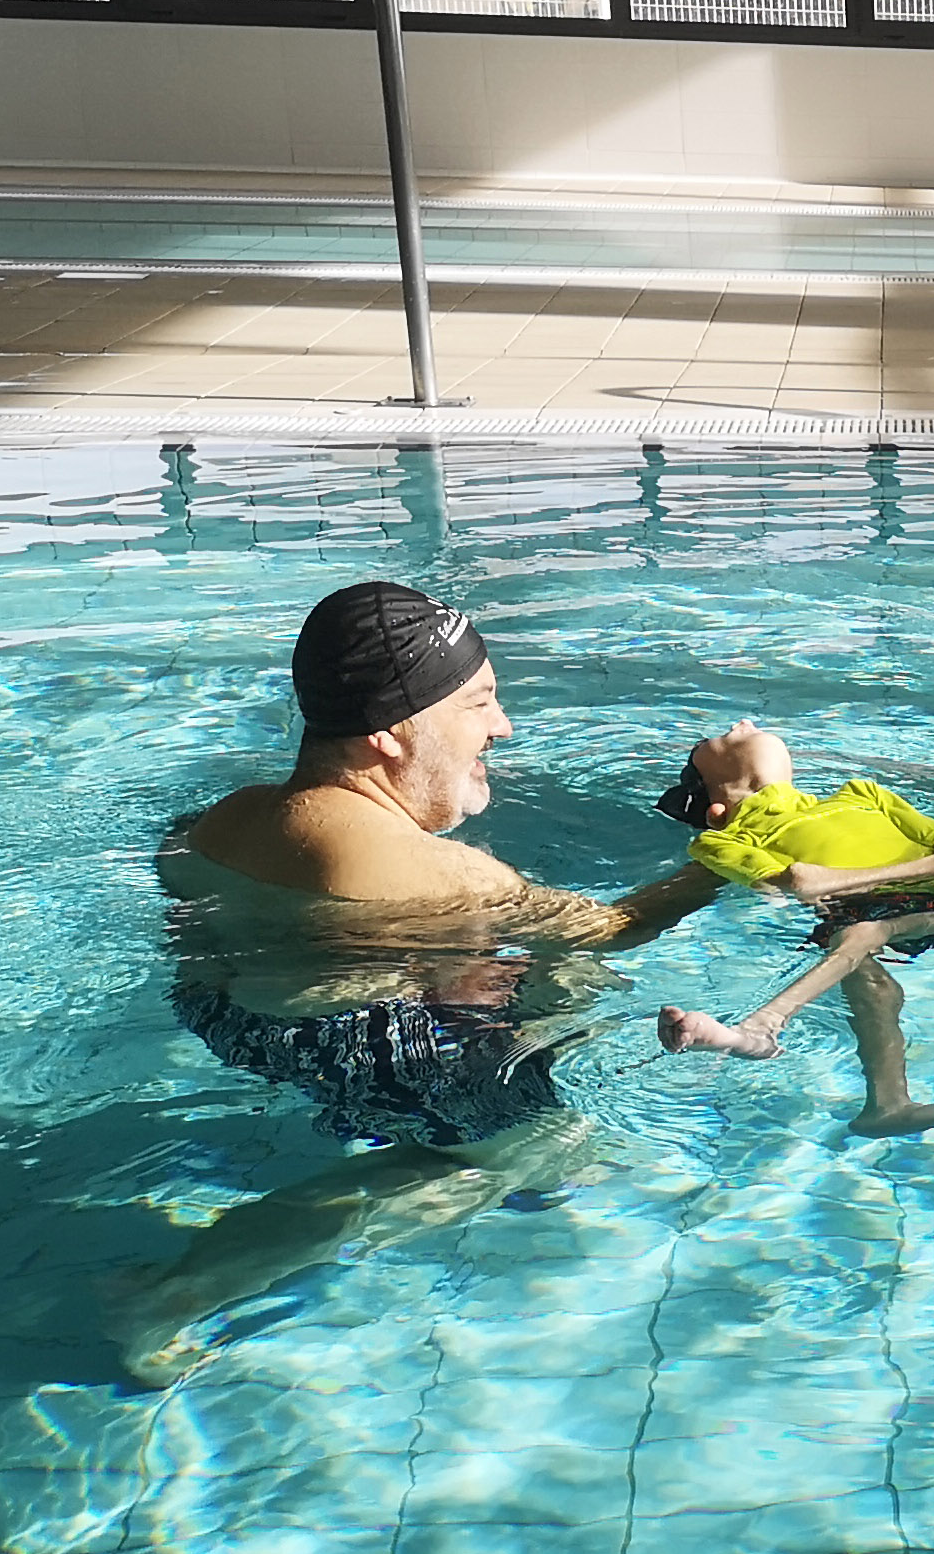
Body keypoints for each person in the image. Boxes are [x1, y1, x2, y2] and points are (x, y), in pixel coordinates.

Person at [139, 580, 718, 1377]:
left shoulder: (229, 814)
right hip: (353, 1040)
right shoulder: (434, 871)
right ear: (392, 732)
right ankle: (180, 1292)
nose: (502, 727)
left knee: (558, 979)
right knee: (547, 1145)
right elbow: (619, 927)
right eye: (479, 704)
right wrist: (737, 855)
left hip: (229, 1009)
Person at [651, 720, 934, 1137]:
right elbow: (802, 883)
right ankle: (888, 1105)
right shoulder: (720, 840)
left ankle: (760, 1029)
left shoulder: (863, 794)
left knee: (859, 936)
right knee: (868, 974)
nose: (741, 724)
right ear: (717, 806)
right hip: (866, 908)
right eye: (722, 739)